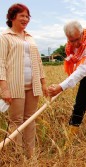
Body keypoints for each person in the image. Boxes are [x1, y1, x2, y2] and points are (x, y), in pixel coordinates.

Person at [0, 3, 47, 158]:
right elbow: (0, 63)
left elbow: (38, 61)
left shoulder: (30, 37)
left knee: (30, 119)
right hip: (15, 86)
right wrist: (4, 88)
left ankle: (30, 154)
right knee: (16, 121)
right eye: (22, 16)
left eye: (27, 16)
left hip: (33, 86)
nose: (26, 19)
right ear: (12, 17)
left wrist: (43, 83)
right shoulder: (5, 37)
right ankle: (17, 156)